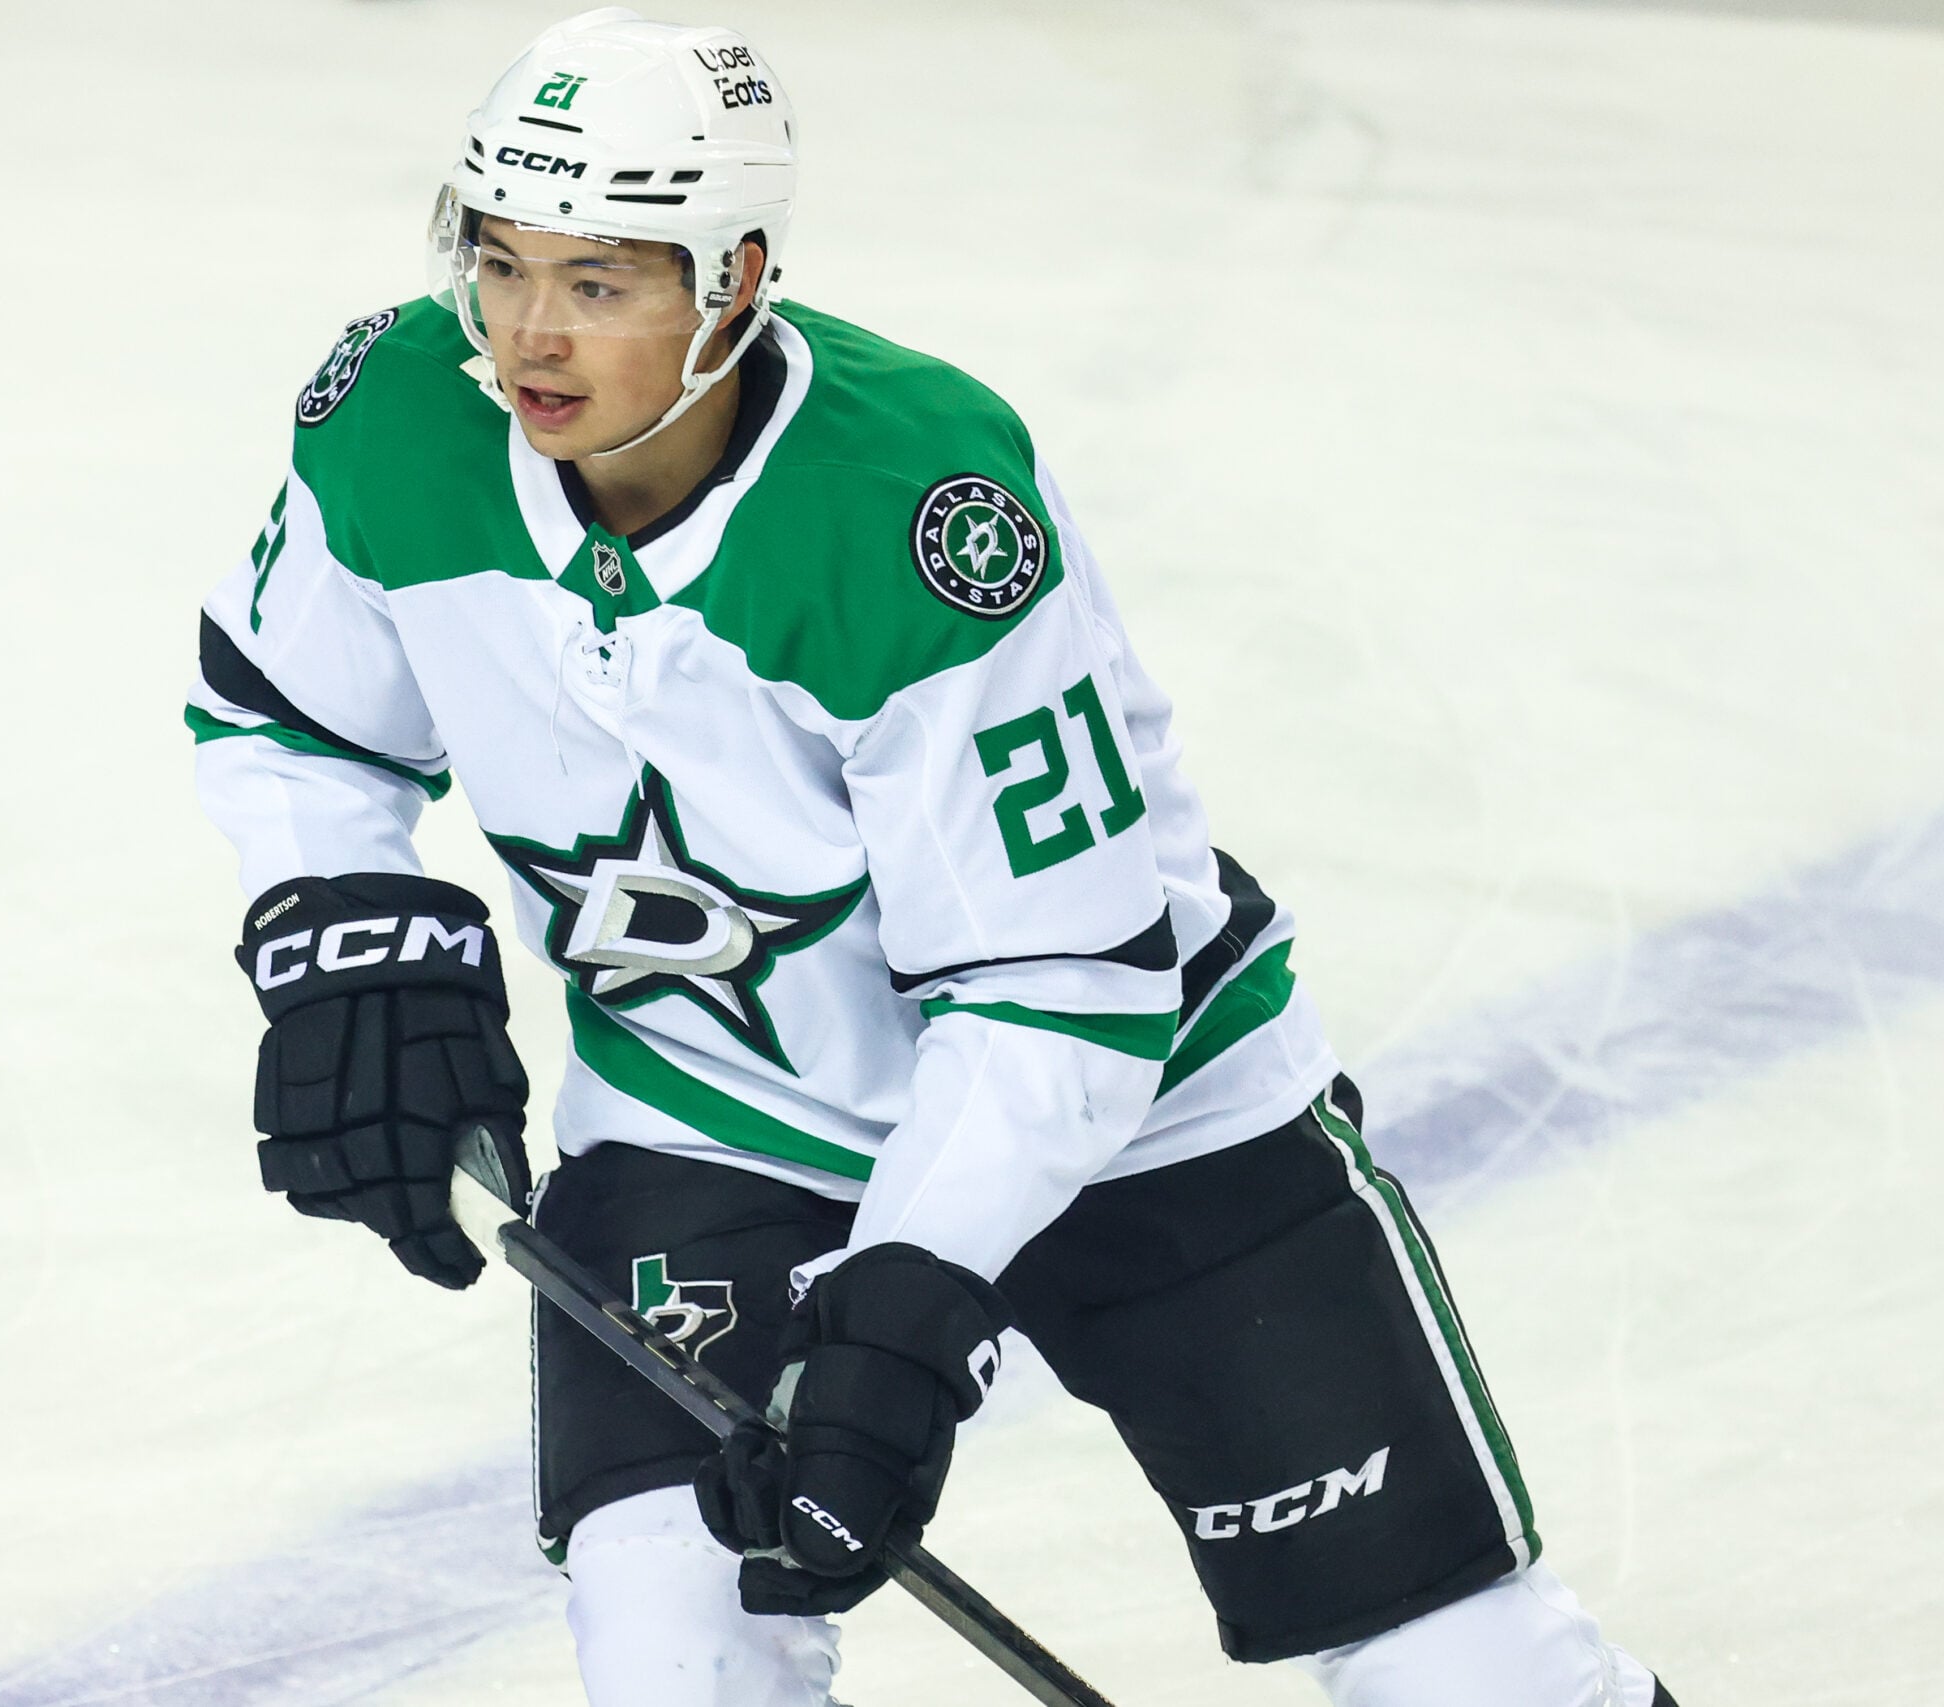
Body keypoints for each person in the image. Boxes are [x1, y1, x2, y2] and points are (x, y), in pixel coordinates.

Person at [189, 9, 1679, 1705]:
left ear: (734, 278)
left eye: (599, 283)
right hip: (716, 1115)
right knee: (678, 1656)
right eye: (501, 262)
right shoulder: (396, 417)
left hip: (1142, 1117)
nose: (527, 333)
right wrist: (349, 926)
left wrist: (904, 1305)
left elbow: (1058, 982)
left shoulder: (918, 515)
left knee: (1455, 1665)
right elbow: (287, 716)